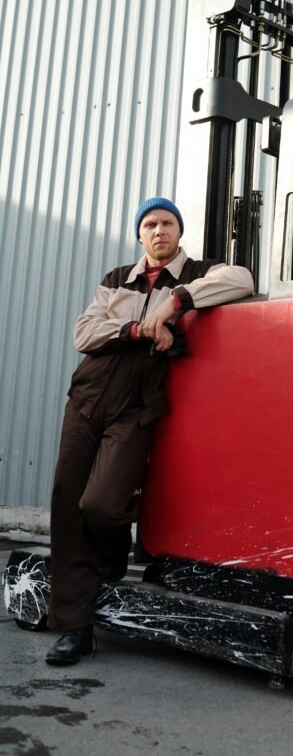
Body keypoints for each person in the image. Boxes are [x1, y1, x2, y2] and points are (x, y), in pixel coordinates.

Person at [45, 197, 254, 665]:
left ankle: (114, 547)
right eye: (151, 224)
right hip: (88, 398)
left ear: (179, 231)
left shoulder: (199, 272)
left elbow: (242, 280)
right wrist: (139, 329)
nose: (159, 231)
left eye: (168, 223)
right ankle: (76, 628)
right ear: (140, 234)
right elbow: (84, 333)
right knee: (67, 502)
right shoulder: (118, 278)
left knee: (102, 504)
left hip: (136, 406)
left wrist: (175, 303)